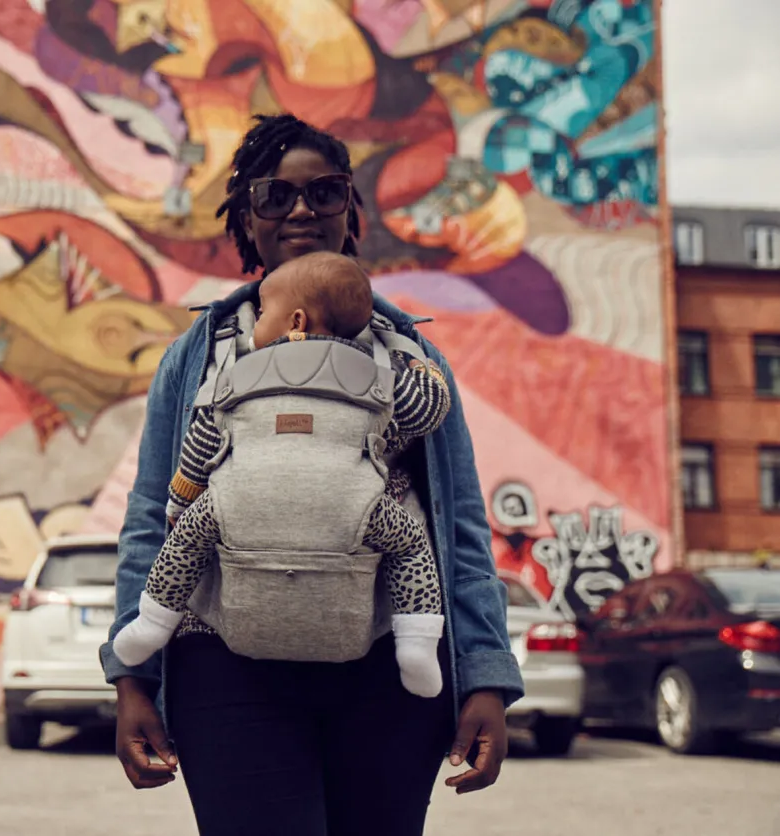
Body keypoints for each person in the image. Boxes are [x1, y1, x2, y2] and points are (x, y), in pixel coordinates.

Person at [100, 113, 524, 836]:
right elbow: (152, 516)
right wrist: (131, 676)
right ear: (246, 217)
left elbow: (457, 523)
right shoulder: (196, 357)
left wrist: (485, 672)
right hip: (226, 670)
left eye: (324, 192)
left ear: (349, 209)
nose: (300, 210)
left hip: (387, 673)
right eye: (275, 195)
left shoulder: (410, 359)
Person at [112, 251, 451, 700]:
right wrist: (420, 364)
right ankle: (417, 644)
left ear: (295, 321)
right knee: (410, 545)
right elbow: (427, 410)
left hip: (240, 501)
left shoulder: (237, 377)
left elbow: (202, 445)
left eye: (262, 313)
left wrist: (180, 503)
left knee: (186, 540)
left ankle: (154, 621)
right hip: (353, 505)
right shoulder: (379, 377)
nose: (256, 323)